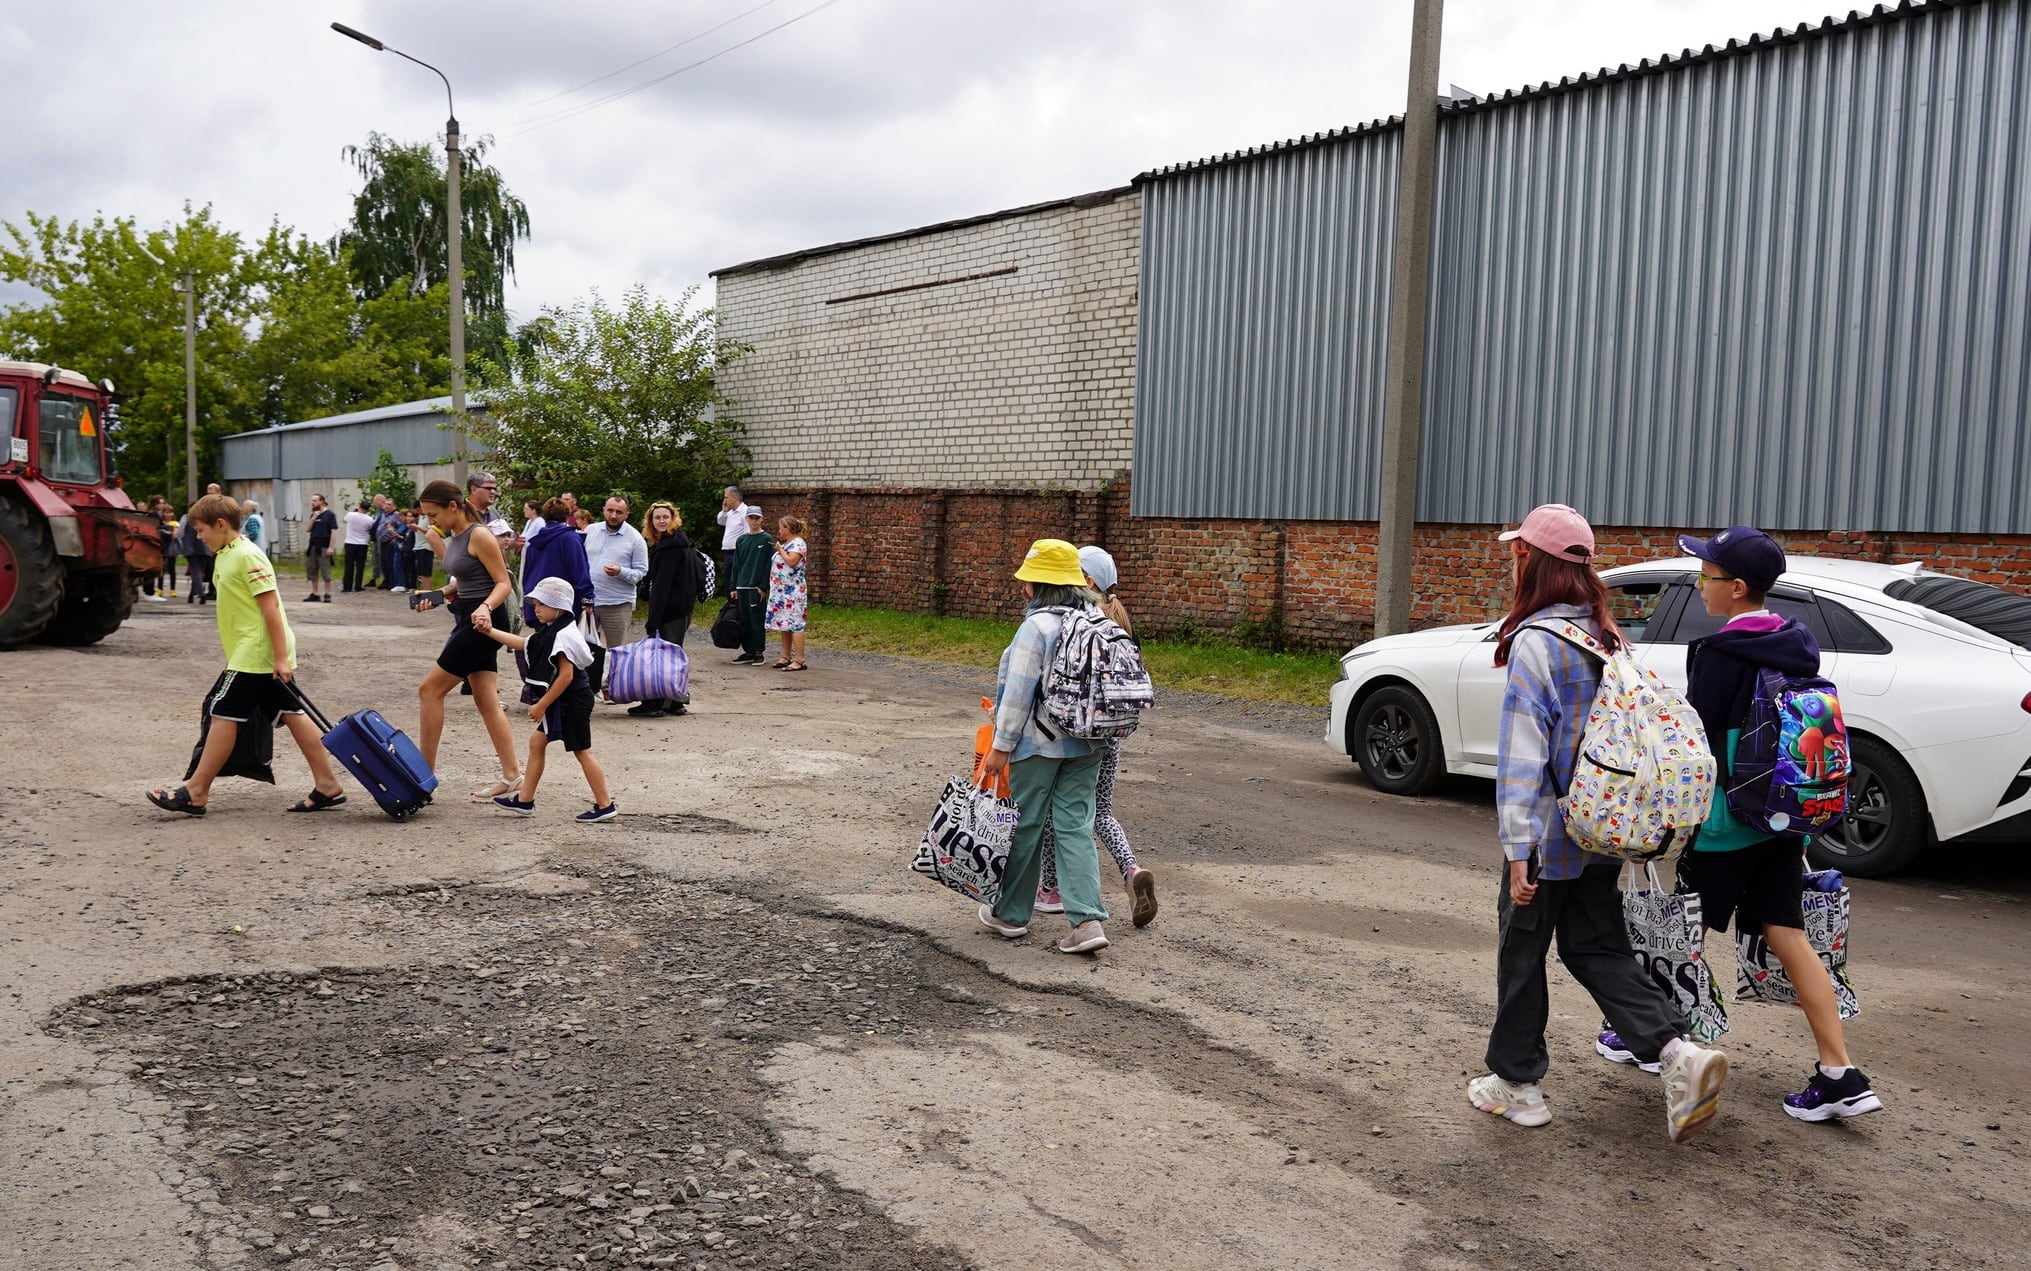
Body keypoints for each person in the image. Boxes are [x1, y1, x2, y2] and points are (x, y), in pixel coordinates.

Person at [1469, 504, 1730, 1141]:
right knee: (1594, 945)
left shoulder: (1536, 642)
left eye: (1517, 550)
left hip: (1551, 835)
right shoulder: (1609, 636)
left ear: (1531, 561)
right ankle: (1677, 1054)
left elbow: (1524, 756)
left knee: (1522, 952)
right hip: (1607, 826)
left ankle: (1517, 1084)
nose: (1512, 558)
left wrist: (1517, 848)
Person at [1628, 525, 1879, 1122]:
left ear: (1736, 589)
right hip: (1784, 821)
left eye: (1706, 577)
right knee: (1788, 935)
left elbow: (1698, 742)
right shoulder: (1798, 642)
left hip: (1725, 822)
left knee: (1678, 931)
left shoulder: (1717, 653)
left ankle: (1653, 1035)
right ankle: (1840, 1074)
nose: (1698, 585)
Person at [144, 493, 347, 816]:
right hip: (250, 652)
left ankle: (196, 791)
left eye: (201, 530)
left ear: (221, 525)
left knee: (223, 712)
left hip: (260, 652)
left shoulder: (247, 556)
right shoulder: (226, 553)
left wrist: (279, 657)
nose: (199, 537)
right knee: (291, 713)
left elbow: (271, 607)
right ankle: (328, 784)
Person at [977, 539, 1112, 955]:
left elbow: (1017, 692)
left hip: (1038, 745)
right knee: (1074, 825)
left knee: (1025, 824)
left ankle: (1010, 914)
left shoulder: (1036, 627)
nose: (1022, 590)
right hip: (1089, 742)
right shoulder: (1099, 621)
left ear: (1037, 586)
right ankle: (1087, 921)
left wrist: (1001, 746)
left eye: (1027, 582)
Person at [1036, 545, 1158, 927]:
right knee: (1100, 811)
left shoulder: (1078, 621)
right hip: (1112, 734)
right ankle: (1130, 870)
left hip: (1076, 733)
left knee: (1059, 812)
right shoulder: (1120, 622)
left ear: (1086, 581)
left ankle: (1051, 889)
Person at [412, 480, 524, 802]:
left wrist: (486, 609)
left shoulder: (480, 535)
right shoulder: (455, 535)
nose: (432, 522)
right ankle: (513, 776)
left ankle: (423, 778)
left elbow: (502, 582)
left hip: (483, 623)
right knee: (486, 701)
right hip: (468, 617)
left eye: (434, 514)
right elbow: (466, 579)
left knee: (429, 691)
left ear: (452, 506)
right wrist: (436, 594)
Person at [473, 576, 618, 823]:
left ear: (558, 607)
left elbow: (566, 676)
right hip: (565, 699)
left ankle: (605, 805)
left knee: (583, 752)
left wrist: (542, 704)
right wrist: (490, 631)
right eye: (535, 604)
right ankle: (525, 800)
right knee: (536, 743)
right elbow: (522, 643)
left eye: (541, 604)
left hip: (572, 700)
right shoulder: (553, 630)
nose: (535, 609)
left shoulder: (562, 635)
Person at [634, 501, 698, 717]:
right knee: (674, 655)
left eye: (665, 517)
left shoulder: (669, 547)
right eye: (657, 517)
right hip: (682, 608)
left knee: (661, 659)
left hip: (671, 610)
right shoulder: (679, 542)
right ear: (651, 522)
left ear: (673, 519)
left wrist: (653, 621)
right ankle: (676, 702)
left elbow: (662, 588)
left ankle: (655, 704)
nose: (661, 520)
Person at [584, 496, 648, 701]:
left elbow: (641, 572)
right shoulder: (591, 530)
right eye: (610, 510)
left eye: (619, 512)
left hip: (618, 603)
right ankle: (586, 688)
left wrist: (620, 571)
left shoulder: (635, 538)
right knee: (585, 647)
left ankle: (612, 689)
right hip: (589, 602)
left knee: (617, 650)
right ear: (603, 510)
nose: (613, 515)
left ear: (627, 514)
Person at [521, 498, 594, 625]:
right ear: (567, 515)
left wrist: (529, 604)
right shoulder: (570, 539)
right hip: (563, 604)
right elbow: (580, 570)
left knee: (544, 643)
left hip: (539, 602)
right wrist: (587, 598)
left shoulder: (535, 542)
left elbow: (527, 575)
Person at [728, 507, 773, 665]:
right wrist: (733, 586)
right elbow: (736, 564)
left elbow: (769, 564)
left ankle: (758, 651)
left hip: (756, 587)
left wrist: (763, 586)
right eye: (751, 518)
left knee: (756, 620)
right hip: (742, 586)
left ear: (761, 519)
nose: (754, 521)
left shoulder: (766, 539)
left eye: (756, 518)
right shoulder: (741, 540)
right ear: (747, 519)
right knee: (744, 620)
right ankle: (748, 651)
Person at [715, 486, 751, 596]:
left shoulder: (745, 512)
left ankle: (738, 605)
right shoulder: (730, 513)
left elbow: (747, 533)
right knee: (728, 581)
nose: (724, 500)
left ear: (734, 498)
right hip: (727, 552)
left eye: (726, 497)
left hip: (738, 551)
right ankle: (730, 604)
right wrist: (724, 510)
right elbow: (720, 521)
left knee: (736, 580)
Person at [175, 509, 215, 605]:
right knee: (199, 571)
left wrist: (182, 543)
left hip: (191, 548)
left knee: (195, 571)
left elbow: (180, 533)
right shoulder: (207, 518)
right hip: (205, 547)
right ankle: (192, 595)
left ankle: (200, 594)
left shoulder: (186, 518)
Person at [303, 493, 337, 604]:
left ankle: (327, 593)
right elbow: (307, 530)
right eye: (312, 500)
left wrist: (331, 547)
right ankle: (315, 593)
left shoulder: (330, 515)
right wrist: (314, 518)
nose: (312, 503)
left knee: (325, 571)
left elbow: (333, 531)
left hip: (324, 546)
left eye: (315, 500)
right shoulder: (314, 514)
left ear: (321, 501)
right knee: (312, 570)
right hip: (313, 545)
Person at [377, 497, 409, 593]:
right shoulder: (384, 515)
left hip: (391, 542)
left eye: (389, 504)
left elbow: (401, 527)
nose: (386, 506)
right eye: (385, 504)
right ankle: (387, 581)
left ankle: (394, 582)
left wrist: (394, 537)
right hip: (382, 542)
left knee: (391, 563)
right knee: (384, 563)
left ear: (394, 506)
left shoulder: (396, 515)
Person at [341, 499, 373, 593]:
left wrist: (354, 510)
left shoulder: (350, 515)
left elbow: (344, 520)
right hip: (362, 543)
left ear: (359, 506)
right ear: (368, 509)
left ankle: (347, 586)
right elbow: (369, 529)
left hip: (350, 542)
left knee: (349, 565)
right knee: (360, 566)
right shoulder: (369, 519)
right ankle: (358, 586)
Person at [405, 509, 433, 592]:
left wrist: (417, 527)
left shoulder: (429, 518)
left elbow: (430, 531)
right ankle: (424, 590)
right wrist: (415, 528)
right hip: (418, 547)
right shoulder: (421, 518)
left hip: (426, 547)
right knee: (421, 572)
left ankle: (428, 591)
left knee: (426, 572)